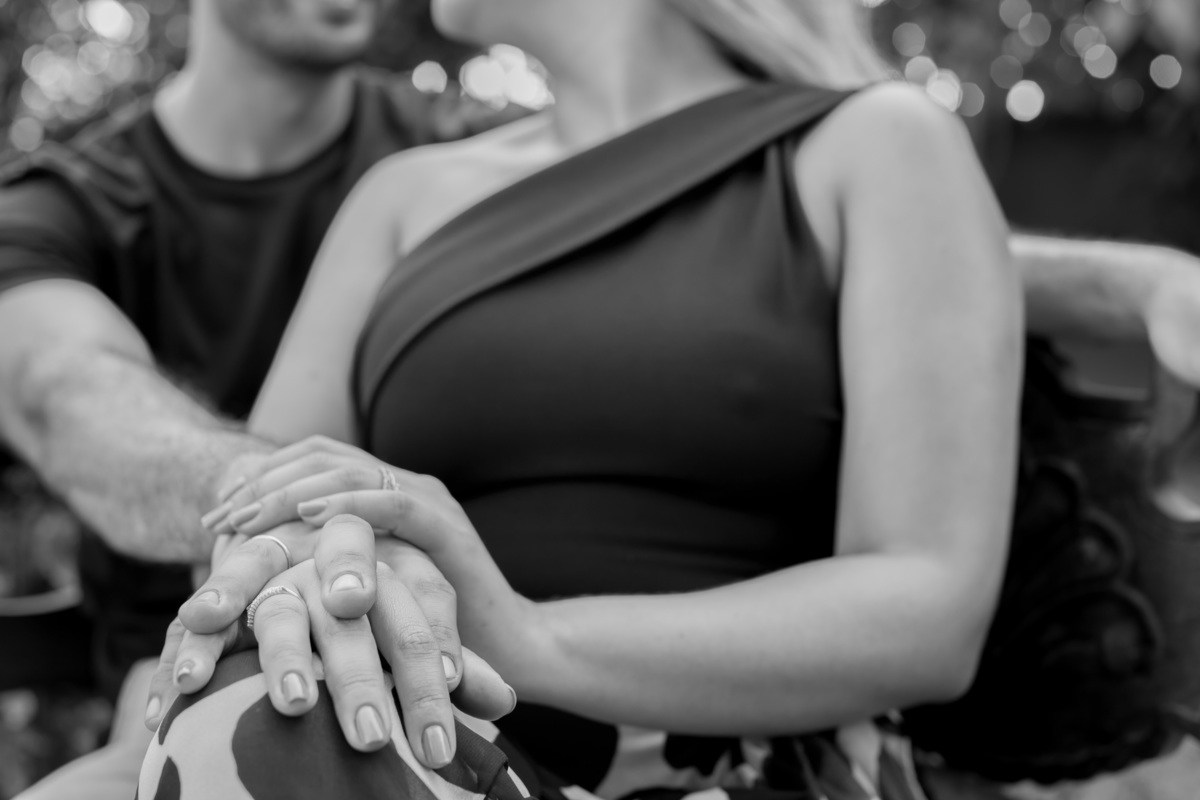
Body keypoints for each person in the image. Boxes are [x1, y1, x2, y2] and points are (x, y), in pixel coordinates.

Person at [129, 1, 1078, 797]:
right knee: (266, 725)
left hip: (736, 769)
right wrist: (319, 567)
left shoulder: (874, 145)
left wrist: (526, 636)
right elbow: (260, 510)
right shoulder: (403, 198)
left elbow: (928, 607)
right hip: (411, 742)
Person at [0, 2, 517, 799]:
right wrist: (293, 512)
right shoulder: (59, 208)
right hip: (180, 688)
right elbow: (61, 389)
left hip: (482, 670)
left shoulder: (481, 157)